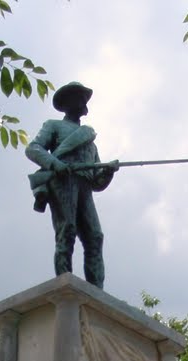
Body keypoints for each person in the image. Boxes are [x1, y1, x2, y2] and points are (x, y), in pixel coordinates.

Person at [25, 81, 118, 288]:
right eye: (78, 97)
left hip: (84, 187)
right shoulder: (54, 126)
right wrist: (55, 164)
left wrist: (108, 172)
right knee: (67, 230)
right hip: (63, 181)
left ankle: (96, 291)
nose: (83, 101)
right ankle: (64, 282)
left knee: (95, 235)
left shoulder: (90, 141)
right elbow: (33, 149)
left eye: (84, 97)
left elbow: (97, 182)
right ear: (67, 103)